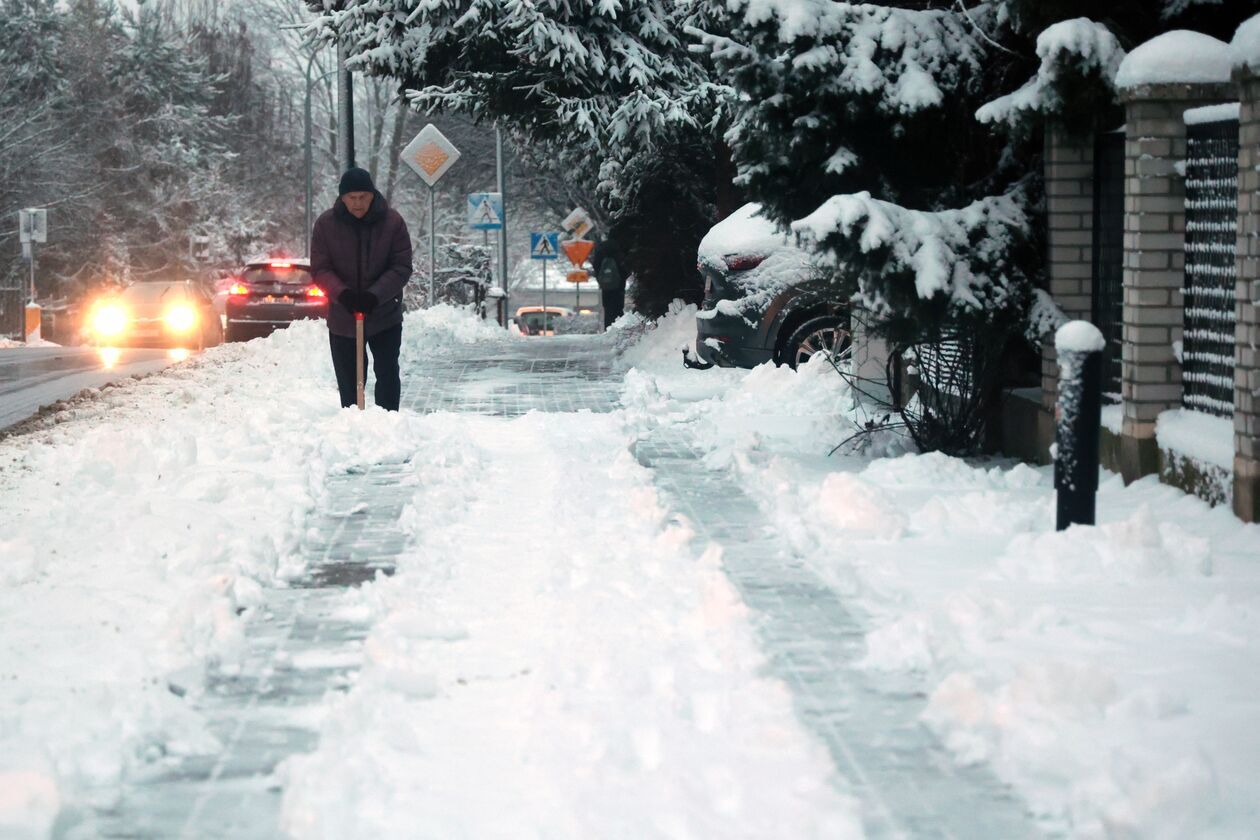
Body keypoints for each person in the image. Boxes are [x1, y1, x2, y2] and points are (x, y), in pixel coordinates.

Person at [310, 168, 413, 410]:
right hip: (342, 318)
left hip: (384, 314)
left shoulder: (392, 222)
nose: (358, 204)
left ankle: (388, 423)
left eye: (363, 197)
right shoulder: (326, 225)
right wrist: (342, 294)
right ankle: (354, 428)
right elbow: (320, 269)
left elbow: (401, 266)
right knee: (350, 382)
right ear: (342, 198)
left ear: (372, 195)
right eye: (352, 198)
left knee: (387, 373)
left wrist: (374, 296)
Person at [590, 237, 626, 328]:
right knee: (618, 307)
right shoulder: (620, 248)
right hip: (619, 285)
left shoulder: (601, 249)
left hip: (606, 285)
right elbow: (625, 266)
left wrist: (600, 278)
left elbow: (596, 265)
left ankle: (608, 328)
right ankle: (619, 329)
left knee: (607, 307)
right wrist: (622, 278)